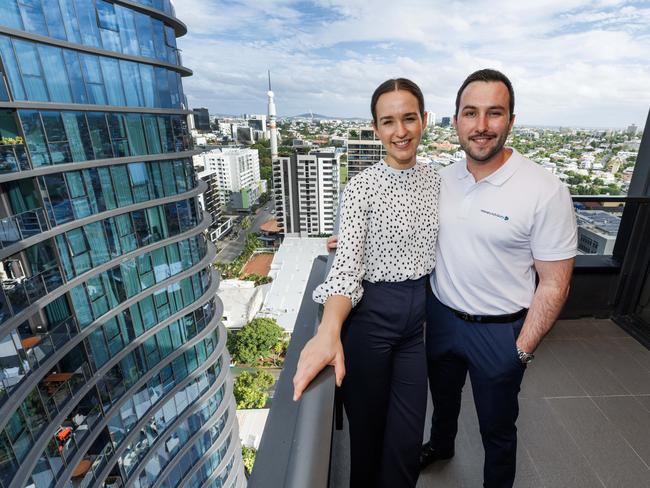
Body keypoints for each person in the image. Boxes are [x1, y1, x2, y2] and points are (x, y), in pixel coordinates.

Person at [419, 69, 577, 488]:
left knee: (498, 428)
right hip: (443, 319)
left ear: (510, 120)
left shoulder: (545, 190)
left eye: (494, 113)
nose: (482, 126)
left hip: (501, 331)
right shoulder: (442, 178)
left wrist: (520, 351)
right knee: (445, 400)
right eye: (470, 113)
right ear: (455, 121)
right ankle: (441, 444)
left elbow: (555, 282)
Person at [292, 78, 441, 488]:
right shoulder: (360, 188)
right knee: (368, 438)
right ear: (375, 129)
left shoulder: (438, 182)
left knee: (408, 439)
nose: (400, 131)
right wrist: (328, 330)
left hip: (417, 325)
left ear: (424, 120)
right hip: (370, 320)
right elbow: (345, 272)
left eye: (409, 118)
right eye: (388, 122)